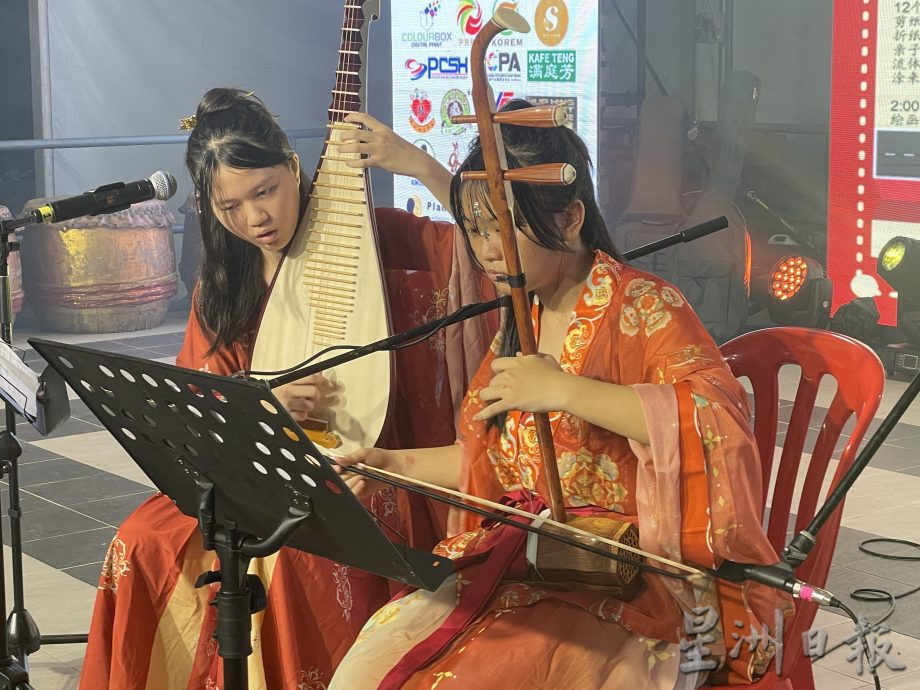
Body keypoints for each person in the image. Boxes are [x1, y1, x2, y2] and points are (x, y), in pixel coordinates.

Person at [331, 100, 793, 689]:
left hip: (632, 569)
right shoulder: (522, 315)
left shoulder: (644, 306)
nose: (486, 251)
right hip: (534, 558)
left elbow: (715, 423)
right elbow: (485, 456)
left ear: (571, 217)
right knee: (371, 663)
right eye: (474, 231)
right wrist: (392, 464)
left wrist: (566, 390)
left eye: (502, 229)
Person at [79, 88, 495, 689]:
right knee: (140, 540)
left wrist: (420, 166)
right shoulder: (228, 277)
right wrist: (262, 400)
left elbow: (492, 253)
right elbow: (200, 394)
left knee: (294, 556)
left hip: (364, 459)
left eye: (265, 191)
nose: (255, 219)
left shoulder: (380, 238)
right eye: (230, 206)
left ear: (294, 167)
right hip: (254, 467)